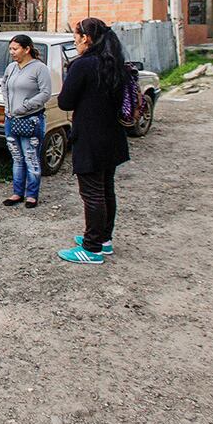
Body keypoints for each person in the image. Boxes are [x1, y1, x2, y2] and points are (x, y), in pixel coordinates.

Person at [55, 17, 130, 264]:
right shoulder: (113, 62)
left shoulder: (84, 65)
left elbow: (65, 101)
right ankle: (103, 239)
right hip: (112, 136)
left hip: (90, 137)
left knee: (92, 193)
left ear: (85, 38)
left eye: (76, 37)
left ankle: (92, 248)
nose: (74, 42)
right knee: (106, 188)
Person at [0, 34, 52, 208]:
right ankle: (17, 193)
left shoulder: (40, 68)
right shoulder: (11, 68)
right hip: (11, 120)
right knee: (17, 157)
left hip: (31, 120)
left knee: (31, 157)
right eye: (10, 49)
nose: (12, 52)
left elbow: (45, 94)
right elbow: (4, 85)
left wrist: (24, 107)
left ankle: (31, 195)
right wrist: (8, 108)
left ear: (27, 49)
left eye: (15, 49)